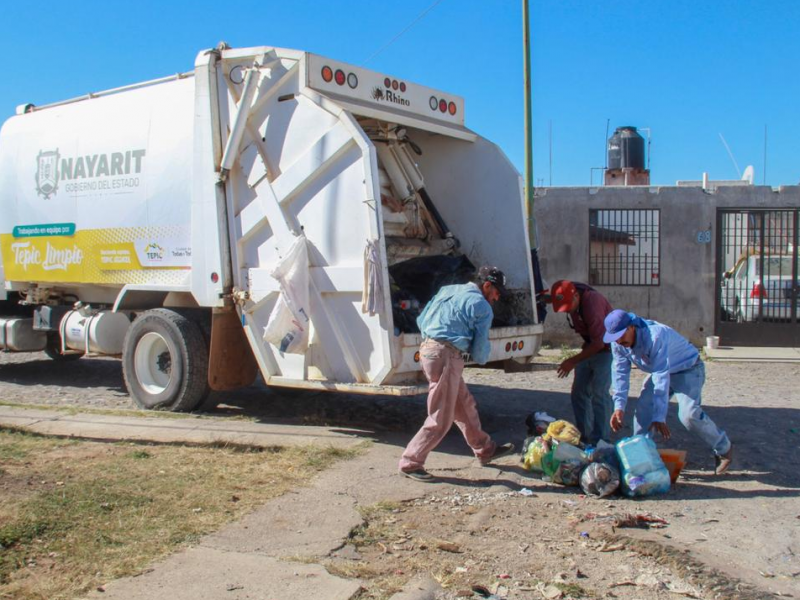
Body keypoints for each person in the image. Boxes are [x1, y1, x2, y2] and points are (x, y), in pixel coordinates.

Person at [398, 266, 516, 482]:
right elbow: (480, 353)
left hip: (429, 349)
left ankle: (485, 448)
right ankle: (411, 462)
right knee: (441, 416)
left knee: (464, 405)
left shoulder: (449, 290)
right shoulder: (482, 306)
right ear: (487, 285)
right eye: (497, 292)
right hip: (447, 355)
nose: (497, 298)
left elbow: (421, 320)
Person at [603, 309, 734, 475]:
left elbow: (660, 376)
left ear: (631, 327)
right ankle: (641, 462)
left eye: (621, 335)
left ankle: (724, 449)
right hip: (662, 371)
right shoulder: (618, 343)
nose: (619, 340)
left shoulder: (655, 336)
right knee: (643, 413)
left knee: (689, 415)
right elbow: (620, 373)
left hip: (688, 369)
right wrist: (619, 407)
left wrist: (659, 416)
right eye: (615, 337)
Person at [548, 280, 614, 445]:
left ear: (576, 296)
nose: (568, 310)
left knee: (600, 394)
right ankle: (584, 438)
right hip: (590, 347)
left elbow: (599, 343)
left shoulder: (592, 302)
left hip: (606, 349)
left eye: (569, 305)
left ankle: (602, 441)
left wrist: (572, 361)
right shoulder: (572, 299)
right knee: (579, 393)